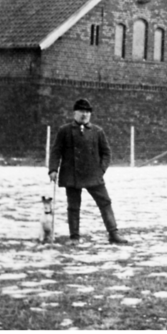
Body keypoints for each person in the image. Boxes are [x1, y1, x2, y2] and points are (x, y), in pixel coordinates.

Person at [48, 98, 129, 245]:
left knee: (105, 203)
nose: (84, 115)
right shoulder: (64, 131)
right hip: (71, 175)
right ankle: (74, 237)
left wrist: (101, 170)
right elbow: (56, 152)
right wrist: (53, 169)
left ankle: (113, 234)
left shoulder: (97, 131)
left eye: (87, 112)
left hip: (93, 176)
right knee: (73, 207)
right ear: (75, 113)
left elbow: (106, 153)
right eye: (81, 112)